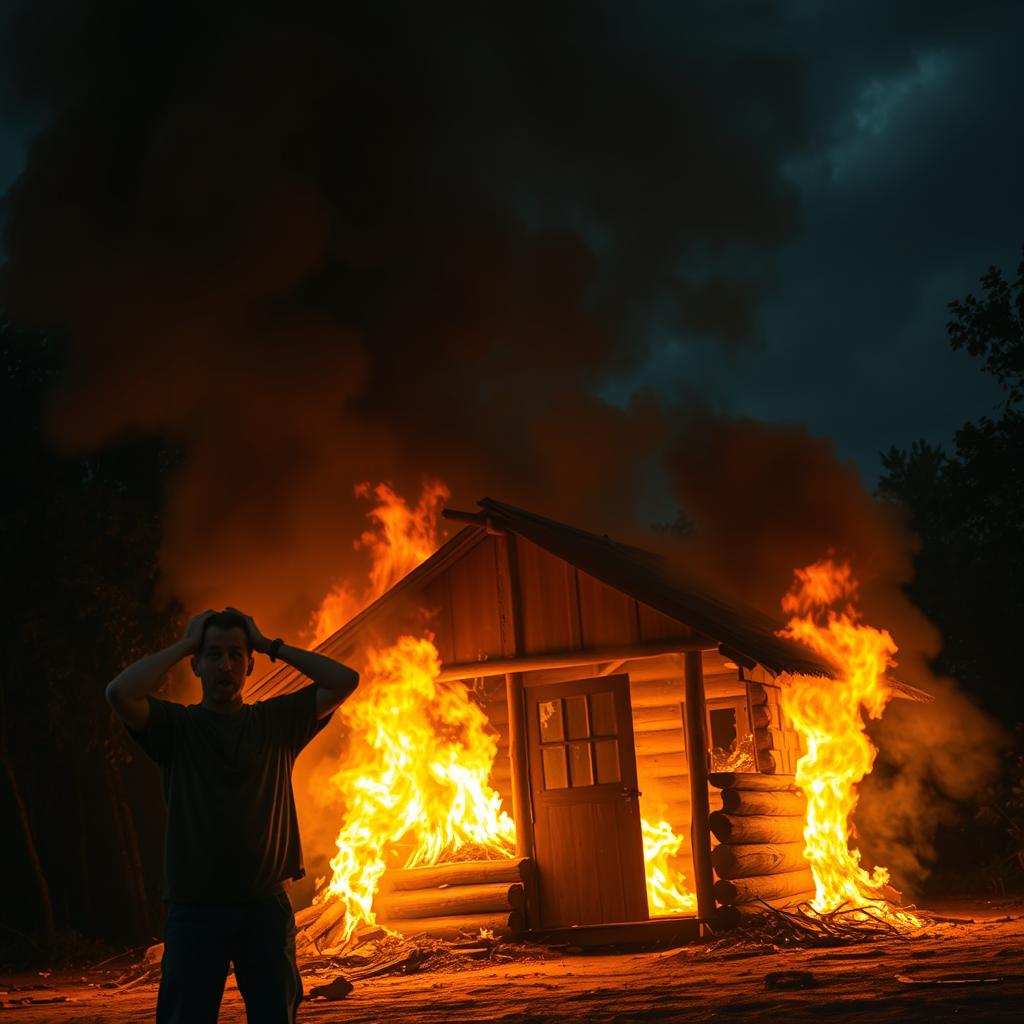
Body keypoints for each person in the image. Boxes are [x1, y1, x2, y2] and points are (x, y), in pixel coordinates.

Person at [105, 607, 359, 1024]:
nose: (225, 665)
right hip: (194, 913)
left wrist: (269, 644)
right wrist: (187, 641)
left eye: (236, 655)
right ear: (198, 665)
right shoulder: (176, 729)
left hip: (265, 910)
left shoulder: (276, 722)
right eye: (213, 654)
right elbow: (119, 693)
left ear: (249, 665)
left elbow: (345, 680)